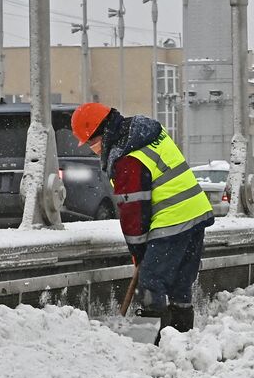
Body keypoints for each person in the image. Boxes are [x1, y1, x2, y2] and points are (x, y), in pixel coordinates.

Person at [71, 102, 214, 343]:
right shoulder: (145, 134)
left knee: (150, 281)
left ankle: (152, 342)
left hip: (172, 219)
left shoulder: (127, 158)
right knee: (180, 282)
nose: (92, 149)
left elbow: (134, 210)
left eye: (91, 143)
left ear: (102, 133)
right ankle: (182, 337)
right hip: (195, 213)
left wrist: (138, 251)